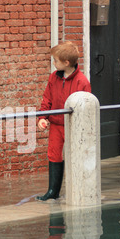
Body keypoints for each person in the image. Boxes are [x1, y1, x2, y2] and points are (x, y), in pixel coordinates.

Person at [36, 41, 91, 201]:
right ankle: (53, 191)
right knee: (53, 155)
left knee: (77, 155)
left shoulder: (82, 82)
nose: (53, 64)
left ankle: (80, 189)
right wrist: (43, 118)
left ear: (66, 63)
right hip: (56, 125)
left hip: (74, 126)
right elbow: (47, 98)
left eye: (56, 61)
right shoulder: (54, 77)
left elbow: (86, 107)